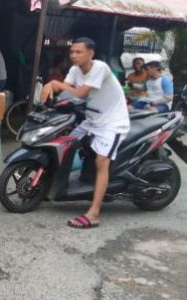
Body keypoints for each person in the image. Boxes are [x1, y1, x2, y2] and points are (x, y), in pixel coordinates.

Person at [40, 37, 130, 229]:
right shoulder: (74, 70)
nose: (73, 55)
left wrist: (54, 83)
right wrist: (51, 98)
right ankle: (52, 187)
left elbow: (80, 93)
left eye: (78, 52)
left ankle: (94, 213)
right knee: (65, 143)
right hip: (91, 121)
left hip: (112, 123)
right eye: (72, 52)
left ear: (91, 53)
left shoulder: (100, 68)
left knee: (101, 162)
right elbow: (68, 94)